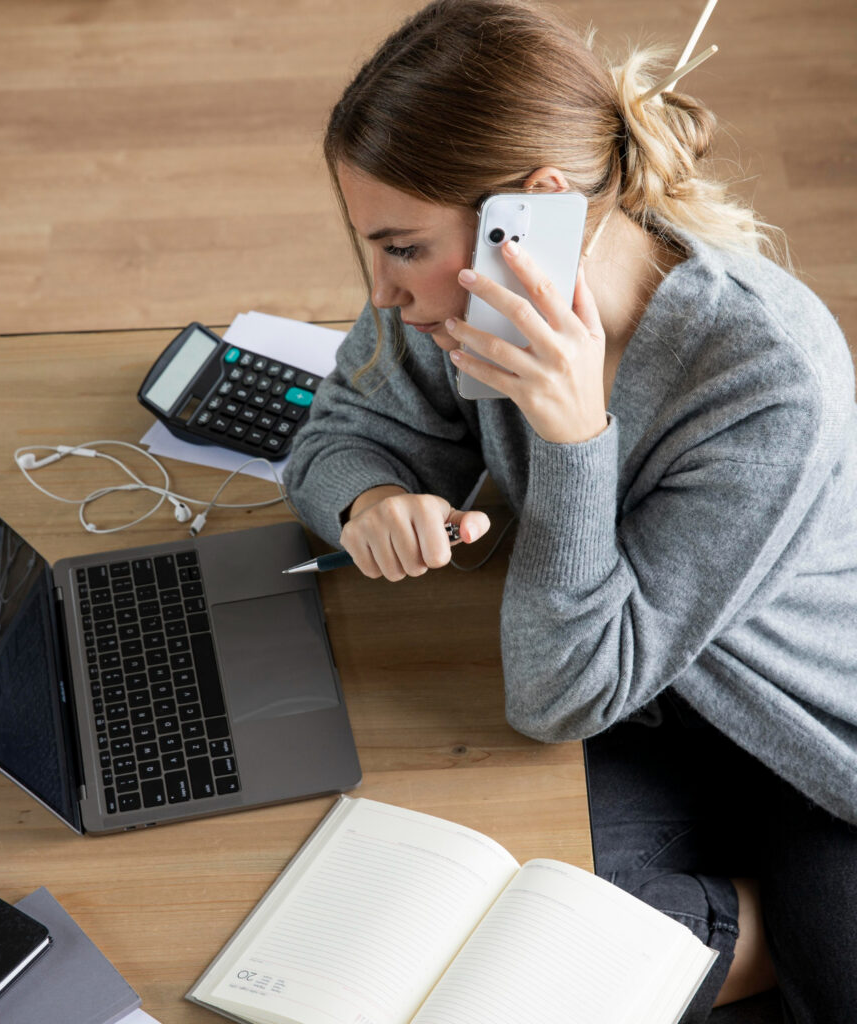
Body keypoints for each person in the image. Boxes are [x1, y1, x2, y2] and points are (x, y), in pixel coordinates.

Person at [281, 1, 857, 1020]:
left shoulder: (770, 378)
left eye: (401, 246)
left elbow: (559, 695)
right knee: (446, 905)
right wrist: (368, 498)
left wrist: (571, 439)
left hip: (801, 742)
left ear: (531, 208)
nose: (380, 291)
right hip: (641, 704)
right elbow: (334, 433)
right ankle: (707, 946)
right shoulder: (466, 302)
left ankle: (754, 939)